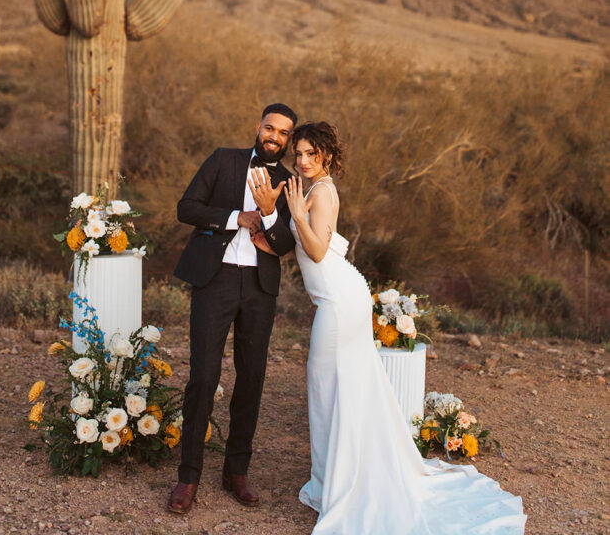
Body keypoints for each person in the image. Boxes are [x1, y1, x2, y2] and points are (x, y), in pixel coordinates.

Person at [250, 121, 527, 535]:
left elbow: (318, 249)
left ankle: (342, 487)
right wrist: (271, 223)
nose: (303, 161)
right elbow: (299, 245)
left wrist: (295, 213)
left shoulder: (322, 191)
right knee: (333, 391)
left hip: (340, 303)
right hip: (339, 297)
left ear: (326, 155)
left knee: (328, 389)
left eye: (312, 153)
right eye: (300, 154)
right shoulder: (308, 189)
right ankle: (332, 482)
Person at [167, 103, 297, 516]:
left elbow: (286, 242)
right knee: (204, 377)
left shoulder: (291, 183)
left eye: (283, 133)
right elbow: (186, 208)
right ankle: (188, 477)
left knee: (252, 377)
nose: (274, 136)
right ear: (258, 127)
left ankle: (236, 472)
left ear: (288, 140)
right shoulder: (224, 159)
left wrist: (271, 211)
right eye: (269, 128)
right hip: (216, 279)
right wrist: (234, 217)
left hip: (259, 287)